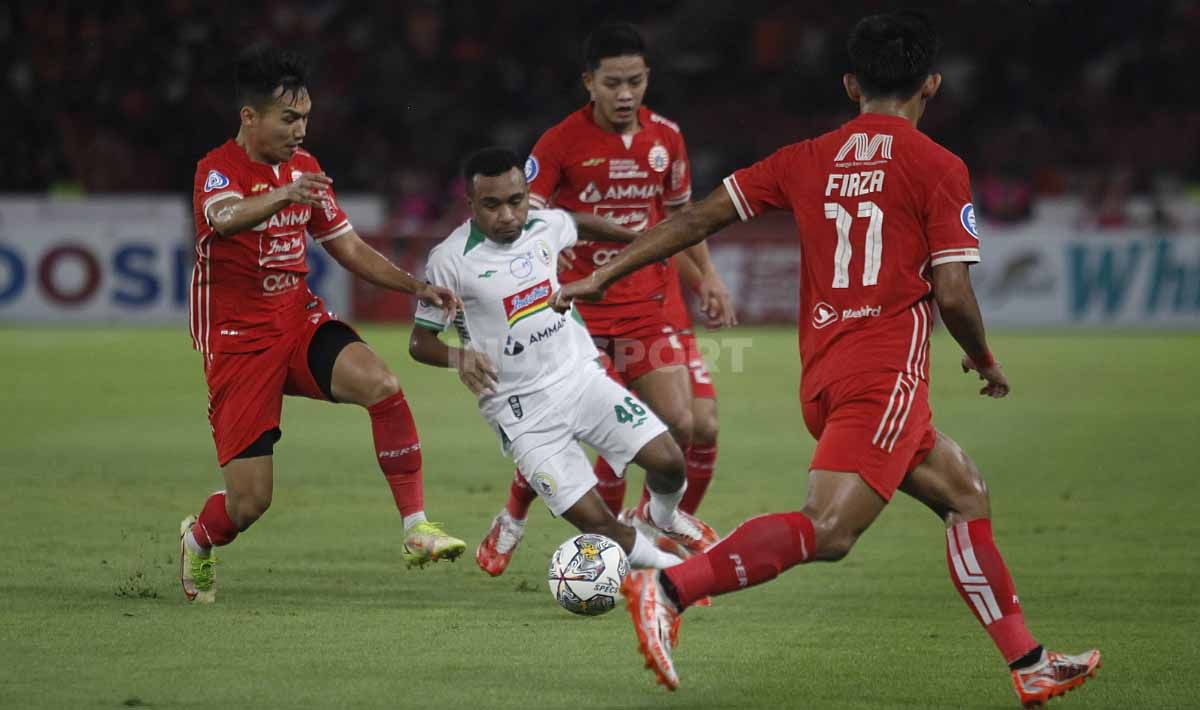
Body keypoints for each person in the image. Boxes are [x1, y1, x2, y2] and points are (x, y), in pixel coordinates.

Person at [552, 11, 1100, 707]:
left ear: (851, 84)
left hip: (825, 375)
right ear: (932, 84)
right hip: (884, 377)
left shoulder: (805, 157)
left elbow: (693, 219)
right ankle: (666, 587)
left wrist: (604, 272)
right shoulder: (938, 166)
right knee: (831, 529)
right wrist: (983, 358)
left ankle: (1029, 662)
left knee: (964, 493)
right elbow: (954, 292)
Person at [178, 46, 466, 604]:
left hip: (298, 319)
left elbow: (349, 248)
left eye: (305, 118)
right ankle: (198, 539)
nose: (300, 130)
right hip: (238, 343)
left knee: (382, 385)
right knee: (250, 503)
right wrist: (281, 193)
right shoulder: (216, 170)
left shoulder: (305, 170)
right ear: (249, 117)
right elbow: (225, 219)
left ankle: (416, 528)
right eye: (289, 119)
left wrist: (416, 287)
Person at [474, 22, 734, 577]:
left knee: (682, 425)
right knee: (574, 425)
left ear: (647, 80)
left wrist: (706, 277)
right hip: (578, 312)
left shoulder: (667, 138)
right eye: (612, 82)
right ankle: (515, 518)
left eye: (635, 81)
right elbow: (523, 212)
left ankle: (649, 523)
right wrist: (546, 249)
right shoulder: (559, 142)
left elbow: (680, 222)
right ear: (588, 82)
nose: (624, 94)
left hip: (649, 304)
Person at [408, 147, 719, 571]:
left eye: (516, 201)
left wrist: (639, 240)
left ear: (526, 195)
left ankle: (661, 515)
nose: (507, 215)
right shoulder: (450, 261)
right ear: (471, 204)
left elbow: (577, 224)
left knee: (669, 462)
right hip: (522, 412)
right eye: (492, 205)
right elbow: (419, 342)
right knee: (598, 523)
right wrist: (459, 357)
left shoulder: (543, 225)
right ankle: (679, 575)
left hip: (582, 382)